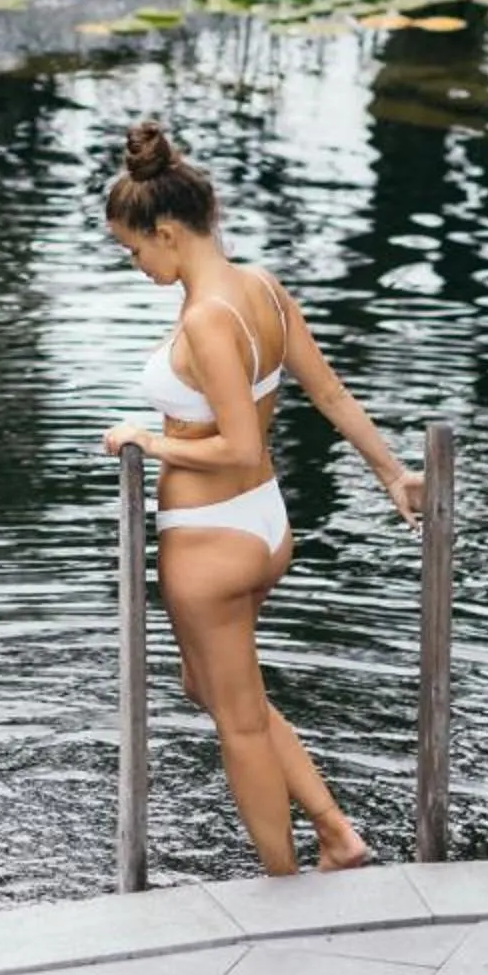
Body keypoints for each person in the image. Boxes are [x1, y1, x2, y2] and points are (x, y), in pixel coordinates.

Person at [98, 119, 428, 876]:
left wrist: (149, 442)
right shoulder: (263, 290)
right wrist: (391, 472)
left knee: (238, 723)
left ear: (170, 232)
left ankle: (286, 896)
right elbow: (328, 390)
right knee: (209, 685)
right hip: (264, 525)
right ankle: (336, 833)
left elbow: (237, 445)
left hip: (212, 536)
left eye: (135, 249)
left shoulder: (209, 317)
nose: (137, 263)